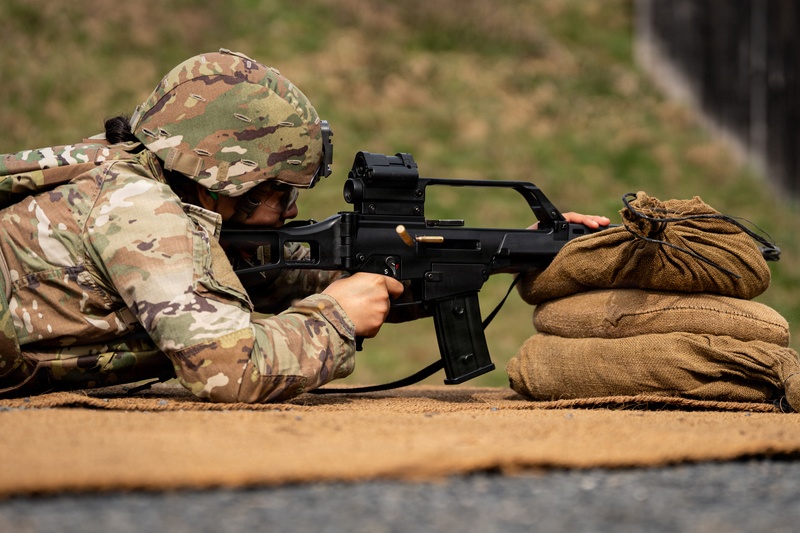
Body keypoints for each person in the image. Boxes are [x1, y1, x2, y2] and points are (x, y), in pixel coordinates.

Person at [0, 49, 608, 402]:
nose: (292, 212)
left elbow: (239, 279)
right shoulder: (141, 211)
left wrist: (532, 251)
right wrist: (335, 316)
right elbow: (229, 370)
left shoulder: (132, 172)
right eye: (285, 192)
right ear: (230, 177)